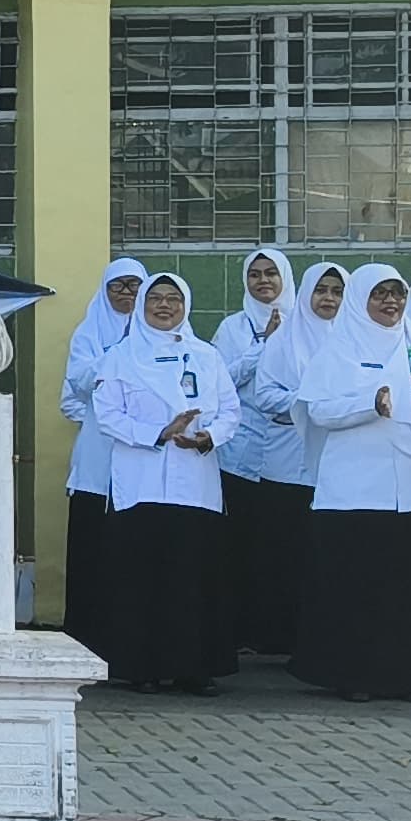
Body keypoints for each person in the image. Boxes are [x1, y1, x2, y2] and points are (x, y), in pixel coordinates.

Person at [295, 263, 411, 701]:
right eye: (380, 293)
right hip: (354, 490)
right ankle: (355, 677)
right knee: (358, 588)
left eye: (398, 293)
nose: (391, 302)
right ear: (360, 299)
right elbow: (317, 411)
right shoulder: (338, 349)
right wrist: (370, 403)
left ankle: (408, 676)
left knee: (408, 590)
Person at [89, 273, 235, 695]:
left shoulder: (206, 356)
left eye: (174, 298)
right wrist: (159, 431)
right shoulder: (119, 356)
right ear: (142, 305)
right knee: (141, 580)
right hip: (141, 484)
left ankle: (194, 667)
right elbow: (108, 415)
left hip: (196, 483)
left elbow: (230, 409)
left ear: (185, 305)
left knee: (193, 579)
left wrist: (211, 436)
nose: (164, 305)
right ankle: (142, 668)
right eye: (156, 298)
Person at [211, 249, 311, 662]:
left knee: (285, 546)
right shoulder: (232, 327)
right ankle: (243, 630)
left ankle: (283, 632)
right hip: (240, 450)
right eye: (255, 274)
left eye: (272, 273)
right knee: (242, 547)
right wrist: (262, 345)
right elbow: (221, 379)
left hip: (292, 455)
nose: (264, 281)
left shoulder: (306, 326)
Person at [53, 260, 145, 660]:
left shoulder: (168, 334)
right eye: (117, 286)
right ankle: (87, 637)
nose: (126, 293)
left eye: (135, 286)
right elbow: (77, 387)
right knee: (94, 551)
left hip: (147, 462)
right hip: (97, 459)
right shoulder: (89, 334)